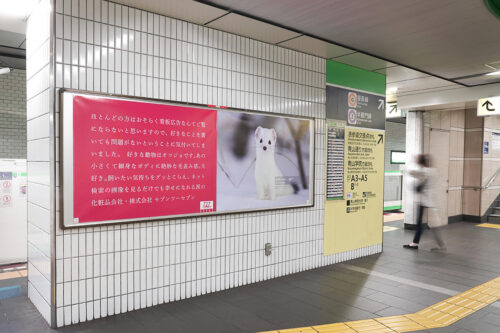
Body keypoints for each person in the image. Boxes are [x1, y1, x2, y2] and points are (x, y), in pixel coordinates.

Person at [403, 154, 446, 251]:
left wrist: (411, 162)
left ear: (420, 162)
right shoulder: (433, 171)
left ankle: (440, 245)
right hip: (431, 202)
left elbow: (410, 172)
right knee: (431, 224)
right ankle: (416, 243)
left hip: (424, 202)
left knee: (427, 224)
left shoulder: (424, 171)